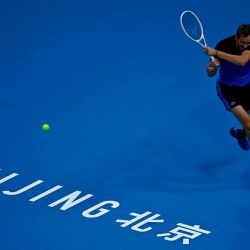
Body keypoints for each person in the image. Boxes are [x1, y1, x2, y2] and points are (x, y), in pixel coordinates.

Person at [204, 24, 250, 151]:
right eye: (242, 42)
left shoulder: (219, 50)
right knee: (249, 124)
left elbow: (242, 61)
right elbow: (210, 74)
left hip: (248, 86)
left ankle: (241, 134)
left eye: (248, 43)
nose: (245, 45)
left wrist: (216, 53)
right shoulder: (223, 45)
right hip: (228, 89)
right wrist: (213, 66)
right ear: (236, 37)